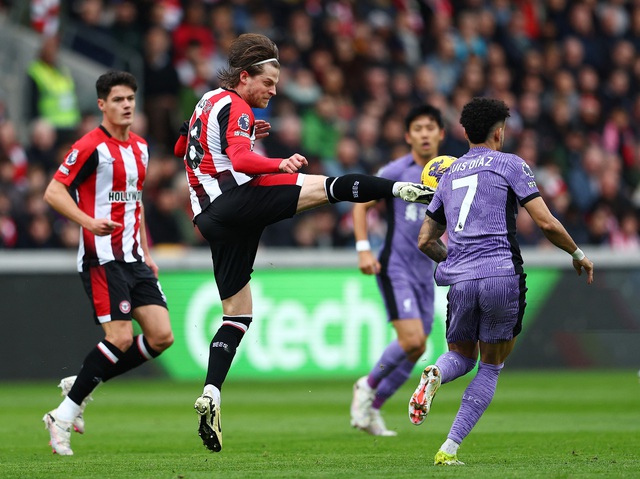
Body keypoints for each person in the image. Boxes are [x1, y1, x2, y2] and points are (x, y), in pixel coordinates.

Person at [174, 33, 432, 453]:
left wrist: (241, 131)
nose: (274, 92)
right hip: (238, 199)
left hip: (211, 218)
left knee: (237, 314)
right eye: (269, 83)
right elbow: (240, 161)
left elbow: (182, 144)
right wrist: (279, 160)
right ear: (244, 76)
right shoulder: (236, 105)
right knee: (327, 186)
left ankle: (211, 392)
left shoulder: (207, 102)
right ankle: (403, 190)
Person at [408, 97, 594, 466]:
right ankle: (449, 449)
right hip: (501, 276)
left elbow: (425, 240)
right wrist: (577, 254)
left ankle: (435, 373)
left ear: (464, 132)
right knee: (490, 365)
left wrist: (457, 262)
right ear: (499, 131)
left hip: (461, 281)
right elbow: (546, 223)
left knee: (460, 355)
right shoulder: (511, 164)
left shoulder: (451, 173)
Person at [42, 71, 174, 456]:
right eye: (118, 99)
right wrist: (87, 222)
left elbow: (136, 202)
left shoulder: (142, 148)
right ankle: (63, 416)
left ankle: (82, 382)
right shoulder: (89, 146)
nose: (127, 105)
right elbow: (54, 191)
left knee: (162, 336)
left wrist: (147, 253)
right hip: (103, 258)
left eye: (131, 98)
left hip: (134, 258)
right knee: (117, 337)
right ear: (102, 105)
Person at [349, 104, 445, 436]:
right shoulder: (394, 171)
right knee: (413, 339)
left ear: (440, 134)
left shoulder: (449, 173)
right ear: (408, 136)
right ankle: (367, 385)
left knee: (418, 347)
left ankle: (372, 410)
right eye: (417, 128)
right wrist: (363, 249)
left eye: (430, 127)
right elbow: (361, 204)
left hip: (426, 271)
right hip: (396, 266)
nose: (424, 133)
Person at [26, 34, 81, 146]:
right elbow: (30, 101)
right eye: (49, 47)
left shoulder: (63, 71)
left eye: (54, 48)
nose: (52, 51)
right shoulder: (36, 71)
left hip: (71, 124)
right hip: (50, 125)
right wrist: (37, 122)